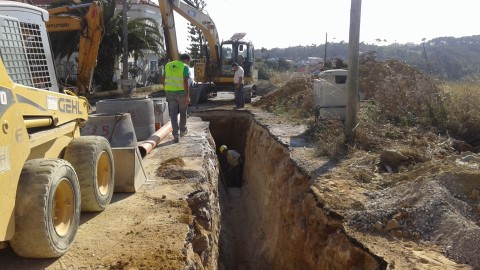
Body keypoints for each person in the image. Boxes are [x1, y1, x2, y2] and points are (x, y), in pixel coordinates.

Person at [162, 54, 191, 143]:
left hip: (170, 93)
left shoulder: (168, 65)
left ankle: (176, 134)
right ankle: (182, 130)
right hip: (181, 93)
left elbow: (163, 78)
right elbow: (185, 81)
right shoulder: (184, 67)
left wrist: (165, 89)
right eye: (188, 61)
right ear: (186, 60)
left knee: (173, 114)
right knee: (183, 112)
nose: (188, 63)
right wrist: (187, 95)